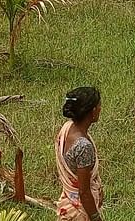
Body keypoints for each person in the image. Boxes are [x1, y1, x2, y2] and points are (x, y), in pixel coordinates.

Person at [56, 86, 104, 221]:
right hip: (80, 213)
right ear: (93, 111)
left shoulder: (67, 129)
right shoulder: (83, 147)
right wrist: (95, 217)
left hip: (68, 205)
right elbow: (84, 192)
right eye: (99, 106)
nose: (100, 109)